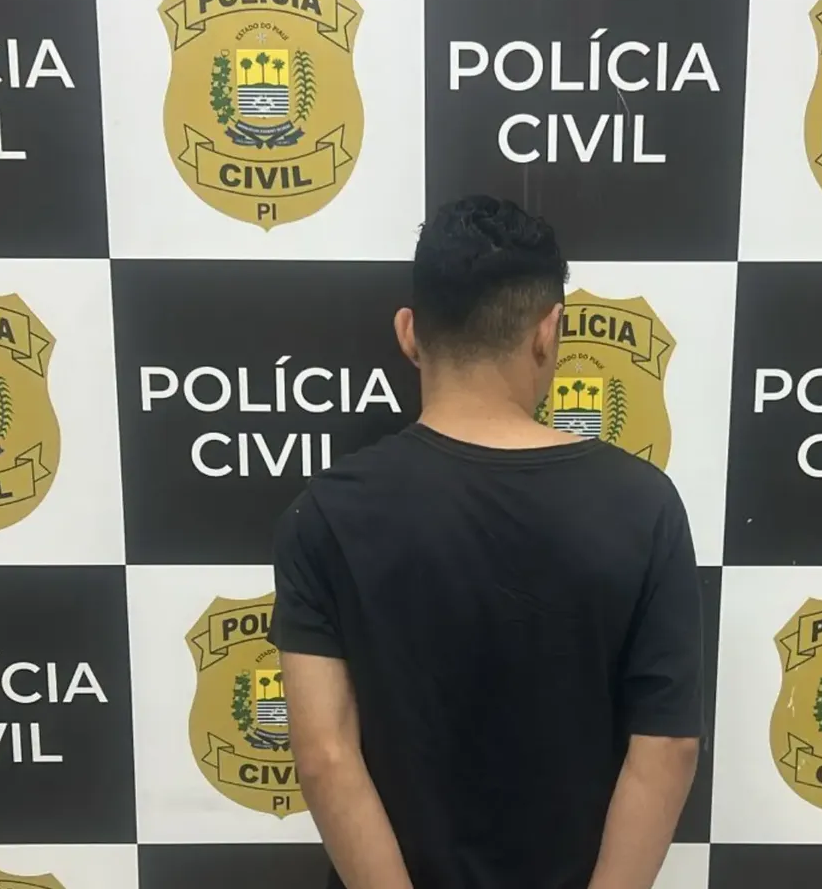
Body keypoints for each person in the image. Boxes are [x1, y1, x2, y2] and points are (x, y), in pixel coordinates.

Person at [269, 195, 703, 889]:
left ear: (409, 333)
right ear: (549, 332)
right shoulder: (646, 506)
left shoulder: (323, 511)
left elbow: (325, 755)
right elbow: (669, 746)